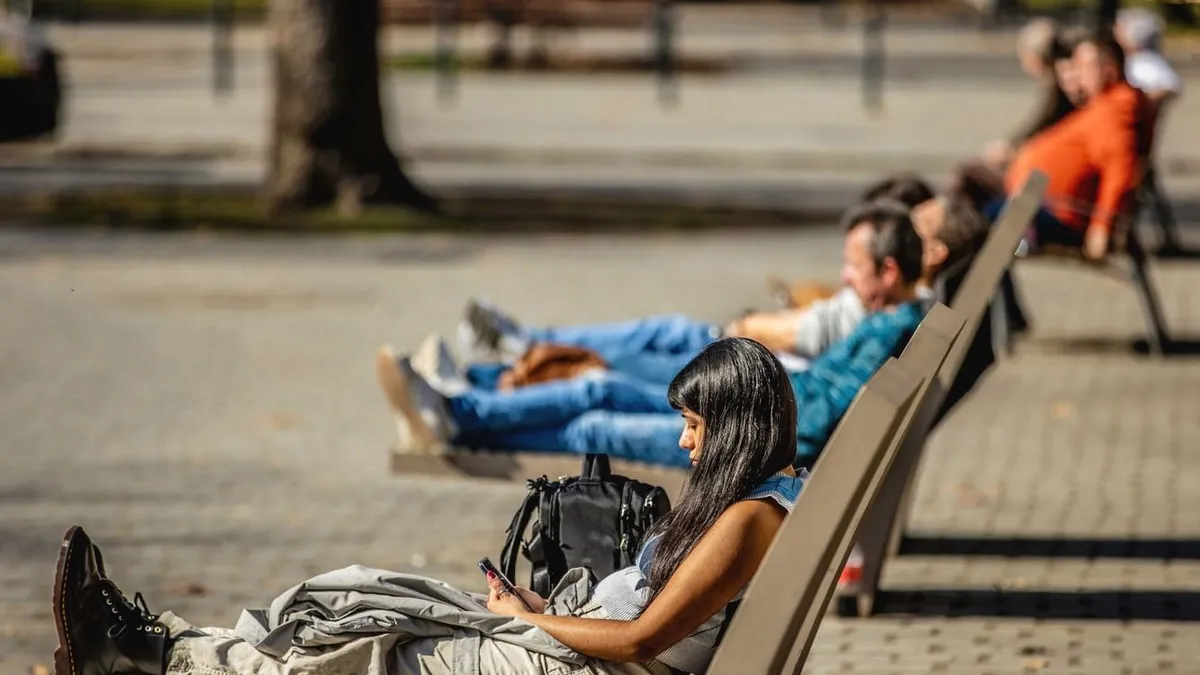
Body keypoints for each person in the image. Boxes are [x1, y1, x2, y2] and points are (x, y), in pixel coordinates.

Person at [53, 339, 804, 675]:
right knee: (365, 599)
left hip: (576, 664)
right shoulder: (755, 507)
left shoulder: (746, 520)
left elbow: (642, 640)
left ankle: (152, 653)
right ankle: (156, 642)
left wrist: (524, 618)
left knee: (368, 646)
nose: (682, 442)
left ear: (735, 429)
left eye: (696, 428)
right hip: (570, 645)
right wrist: (537, 607)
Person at [378, 202, 940, 470]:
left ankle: (458, 414)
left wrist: (748, 386)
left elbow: (813, 420)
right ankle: (463, 403)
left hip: (750, 431)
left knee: (598, 407)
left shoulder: (893, 326)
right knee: (600, 388)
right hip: (754, 410)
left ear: (888, 272)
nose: (844, 278)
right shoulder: (899, 322)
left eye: (853, 267)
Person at [986, 32, 1146, 261]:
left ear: (1109, 69)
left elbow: (1121, 168)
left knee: (964, 233)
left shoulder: (1117, 110)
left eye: (1083, 66)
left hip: (1056, 214)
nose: (1076, 74)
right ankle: (982, 298)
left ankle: (945, 297)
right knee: (962, 230)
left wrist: (1102, 225)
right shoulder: (1102, 106)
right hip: (1034, 205)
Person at [1116, 8, 1182, 112]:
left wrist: (1140, 100)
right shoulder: (1119, 58)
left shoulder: (1145, 60)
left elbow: (1171, 86)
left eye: (1120, 29)